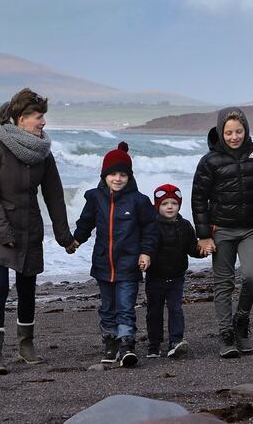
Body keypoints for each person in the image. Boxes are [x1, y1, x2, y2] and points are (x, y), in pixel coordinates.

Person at [0, 88, 77, 375]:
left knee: (27, 289)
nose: (43, 122)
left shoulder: (43, 154)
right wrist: (4, 230)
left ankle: (26, 347)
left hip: (30, 227)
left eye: (43, 116)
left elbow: (54, 196)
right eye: (37, 116)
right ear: (20, 119)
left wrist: (64, 237)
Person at [192, 107, 253, 358]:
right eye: (228, 132)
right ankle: (226, 335)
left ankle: (241, 320)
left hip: (250, 229)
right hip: (220, 229)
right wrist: (203, 235)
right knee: (223, 284)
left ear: (246, 130)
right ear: (220, 132)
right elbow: (199, 200)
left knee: (252, 277)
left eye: (238, 131)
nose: (234, 136)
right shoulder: (210, 161)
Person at [72, 141, 159, 368]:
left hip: (129, 265)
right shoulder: (95, 198)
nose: (117, 179)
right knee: (108, 308)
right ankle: (110, 343)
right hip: (103, 264)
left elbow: (151, 229)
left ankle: (127, 345)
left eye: (122, 174)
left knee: (126, 307)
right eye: (112, 174)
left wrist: (146, 253)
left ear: (129, 177)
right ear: (104, 175)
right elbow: (86, 223)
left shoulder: (139, 201)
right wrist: (76, 241)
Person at [144, 184, 205, 359]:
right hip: (155, 277)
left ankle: (175, 341)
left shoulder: (185, 226)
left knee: (175, 309)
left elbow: (192, 248)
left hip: (177, 277)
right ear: (157, 206)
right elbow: (145, 247)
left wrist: (202, 251)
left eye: (173, 203)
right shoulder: (151, 226)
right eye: (164, 204)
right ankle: (154, 345)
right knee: (154, 311)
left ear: (179, 205)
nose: (169, 207)